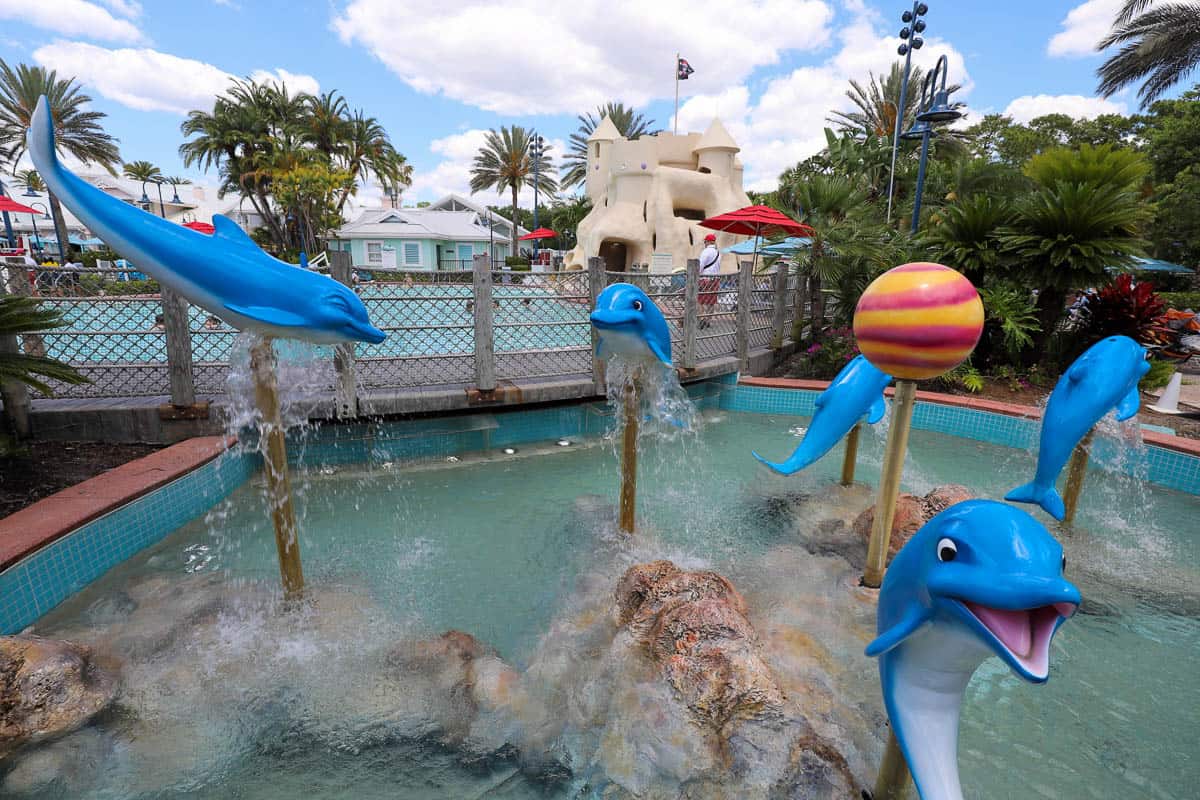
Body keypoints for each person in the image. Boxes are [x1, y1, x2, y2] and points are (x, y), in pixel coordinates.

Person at [698, 233, 720, 328]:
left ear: (707, 242)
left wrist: (695, 275)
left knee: (699, 300)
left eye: (705, 242)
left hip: (705, 279)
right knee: (711, 302)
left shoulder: (706, 252)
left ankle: (702, 318)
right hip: (715, 279)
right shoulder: (718, 253)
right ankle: (708, 320)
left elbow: (700, 266)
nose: (704, 243)